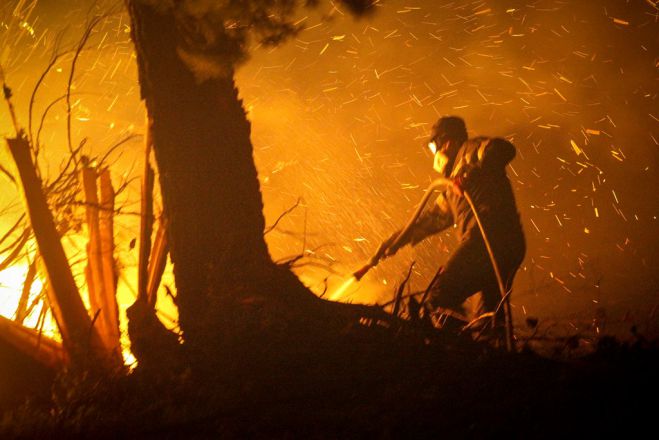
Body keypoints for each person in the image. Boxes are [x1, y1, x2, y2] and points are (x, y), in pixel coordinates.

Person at [372, 116, 525, 336]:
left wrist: (468, 175)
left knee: (440, 297)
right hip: (510, 244)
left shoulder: (469, 151)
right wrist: (394, 242)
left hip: (487, 241)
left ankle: (455, 348)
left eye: (434, 146)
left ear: (449, 143)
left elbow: (503, 149)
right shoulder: (452, 186)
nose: (434, 154)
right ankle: (491, 358)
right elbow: (431, 219)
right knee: (488, 319)